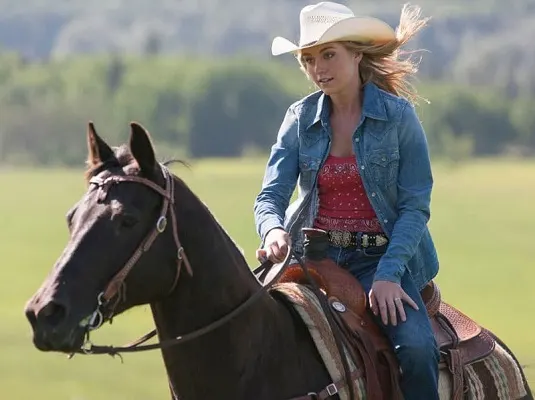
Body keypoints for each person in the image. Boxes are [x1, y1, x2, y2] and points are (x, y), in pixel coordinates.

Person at [253, 2, 440, 399]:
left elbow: (415, 206)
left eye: (329, 54)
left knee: (420, 351)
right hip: (311, 257)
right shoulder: (298, 119)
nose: (318, 68)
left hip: (381, 258)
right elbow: (271, 195)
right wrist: (272, 231)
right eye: (308, 59)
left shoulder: (398, 117)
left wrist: (389, 275)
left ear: (356, 53)